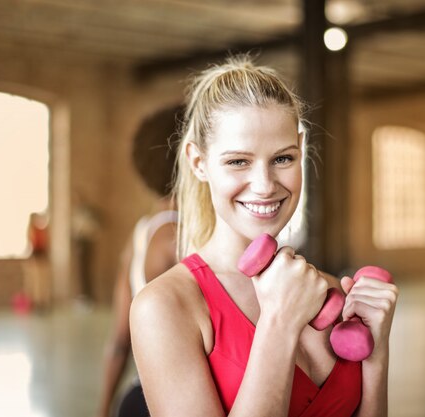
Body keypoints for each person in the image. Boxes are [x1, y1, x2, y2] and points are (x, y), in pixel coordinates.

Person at [130, 56, 399, 417]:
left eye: (282, 159)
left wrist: (377, 355)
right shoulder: (164, 307)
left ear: (300, 149)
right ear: (198, 162)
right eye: (238, 161)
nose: (265, 185)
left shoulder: (329, 289)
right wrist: (279, 324)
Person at [96, 105, 181, 417]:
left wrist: (104, 408)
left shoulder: (140, 233)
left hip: (137, 394)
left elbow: (120, 339)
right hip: (169, 400)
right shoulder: (179, 238)